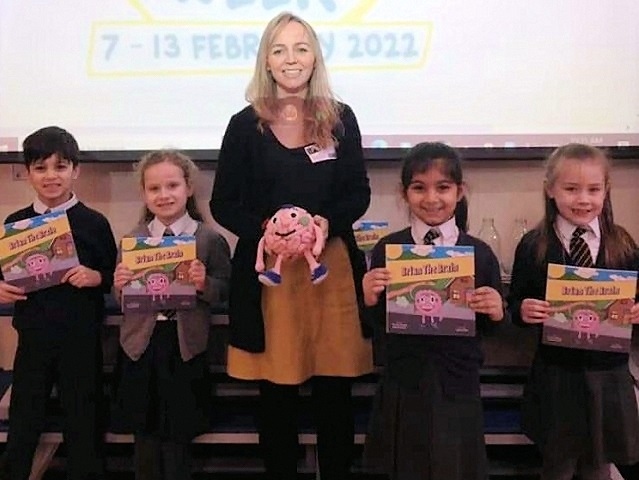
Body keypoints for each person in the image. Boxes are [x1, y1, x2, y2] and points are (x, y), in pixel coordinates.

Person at [210, 11, 373, 480]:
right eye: (279, 49)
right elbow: (224, 202)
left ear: (315, 57)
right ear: (266, 59)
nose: (291, 59)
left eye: (301, 48)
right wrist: (266, 229)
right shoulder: (244, 125)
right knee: (276, 394)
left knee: (333, 392)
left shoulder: (341, 119)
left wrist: (325, 222)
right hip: (270, 276)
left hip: (331, 269)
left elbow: (357, 193)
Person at [361, 142, 505, 480]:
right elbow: (375, 328)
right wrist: (367, 299)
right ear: (404, 193)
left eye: (443, 187)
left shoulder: (479, 253)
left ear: (460, 191)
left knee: (454, 467)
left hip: (456, 383)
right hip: (403, 382)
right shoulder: (387, 249)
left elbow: (492, 330)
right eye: (419, 188)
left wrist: (497, 312)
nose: (431, 198)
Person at [508, 143, 639, 480]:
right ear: (550, 190)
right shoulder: (534, 245)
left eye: (594, 190)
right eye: (571, 189)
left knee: (598, 466)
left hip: (607, 376)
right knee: (558, 466)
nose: (584, 199)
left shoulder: (622, 244)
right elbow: (516, 303)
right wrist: (523, 310)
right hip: (557, 378)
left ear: (606, 190)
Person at [0, 126, 117, 480]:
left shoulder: (94, 223)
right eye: (40, 167)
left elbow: (115, 275)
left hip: (80, 339)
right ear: (27, 173)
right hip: (33, 338)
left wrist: (96, 277)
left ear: (75, 170)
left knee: (84, 424)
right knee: (23, 423)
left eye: (60, 166)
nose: (51, 176)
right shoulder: (15, 222)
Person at [111, 150, 231, 480]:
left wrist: (203, 282)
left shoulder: (208, 239)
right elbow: (119, 296)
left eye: (172, 186)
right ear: (144, 193)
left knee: (179, 434)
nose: (164, 195)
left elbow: (224, 289)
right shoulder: (132, 240)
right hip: (140, 347)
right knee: (144, 432)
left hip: (184, 346)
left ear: (188, 188)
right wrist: (119, 285)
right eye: (154, 189)